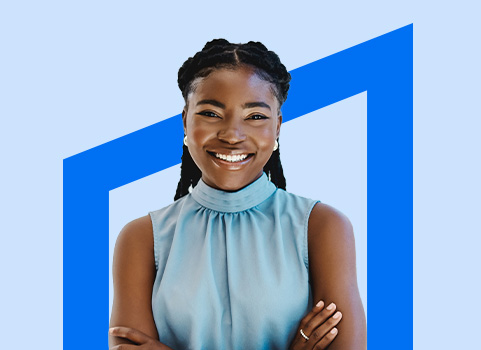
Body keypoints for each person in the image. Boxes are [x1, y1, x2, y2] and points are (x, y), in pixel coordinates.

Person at [108, 39, 367, 350]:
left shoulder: (322, 227)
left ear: (278, 127)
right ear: (185, 123)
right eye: (211, 113)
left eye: (255, 116)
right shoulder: (141, 238)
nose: (232, 135)